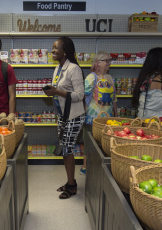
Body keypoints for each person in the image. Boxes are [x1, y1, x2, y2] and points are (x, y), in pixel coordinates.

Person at [43, 36, 85, 199]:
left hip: (73, 116)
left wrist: (56, 92)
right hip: (62, 115)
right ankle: (70, 182)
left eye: (56, 48)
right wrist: (52, 91)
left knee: (67, 150)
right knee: (64, 149)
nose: (52, 51)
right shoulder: (58, 68)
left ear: (65, 51)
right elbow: (60, 90)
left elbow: (80, 95)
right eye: (52, 47)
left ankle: (72, 186)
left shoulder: (74, 68)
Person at [82, 51, 117, 174]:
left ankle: (99, 168)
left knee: (104, 144)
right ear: (98, 63)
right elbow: (83, 95)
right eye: (106, 61)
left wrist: (116, 115)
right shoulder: (92, 77)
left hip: (107, 119)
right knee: (90, 144)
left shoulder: (109, 77)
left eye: (109, 60)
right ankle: (85, 167)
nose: (108, 63)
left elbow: (114, 98)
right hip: (92, 118)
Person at [132, 47, 162, 119]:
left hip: (145, 115)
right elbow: (155, 101)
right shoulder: (156, 77)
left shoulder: (147, 74)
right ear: (160, 60)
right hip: (154, 118)